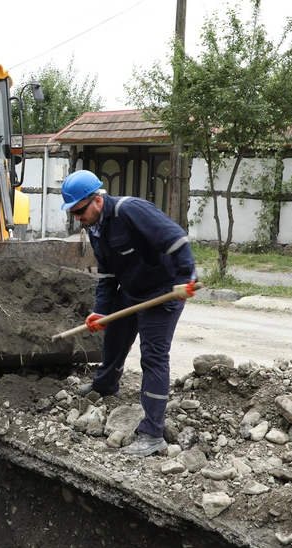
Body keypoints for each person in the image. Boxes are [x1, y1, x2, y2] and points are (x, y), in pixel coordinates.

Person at [62, 170, 196, 457]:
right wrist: (100, 312)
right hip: (132, 290)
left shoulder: (130, 211)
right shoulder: (96, 230)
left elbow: (175, 239)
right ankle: (106, 384)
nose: (77, 219)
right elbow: (108, 277)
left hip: (162, 291)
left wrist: (185, 277)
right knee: (115, 337)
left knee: (153, 357)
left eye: (79, 211)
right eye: (73, 213)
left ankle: (152, 433)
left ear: (97, 200)